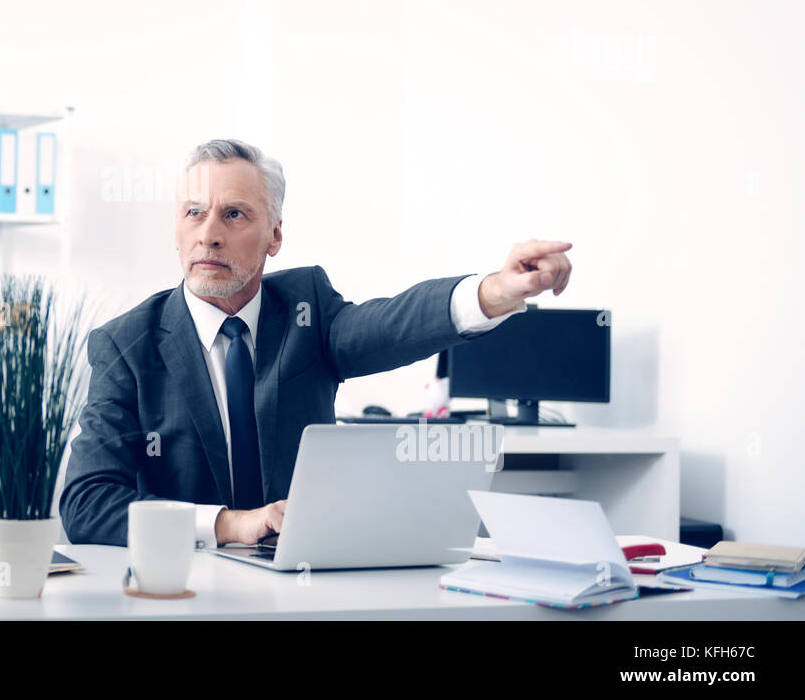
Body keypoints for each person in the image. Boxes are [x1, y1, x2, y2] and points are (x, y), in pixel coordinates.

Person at [59, 139, 572, 547]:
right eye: (194, 213)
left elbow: (389, 324)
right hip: (187, 592)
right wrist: (225, 525)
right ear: (176, 230)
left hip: (303, 585)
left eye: (234, 215)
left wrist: (494, 292)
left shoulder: (307, 308)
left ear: (275, 236)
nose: (209, 234)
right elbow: (86, 503)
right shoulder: (127, 345)